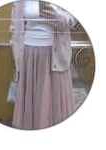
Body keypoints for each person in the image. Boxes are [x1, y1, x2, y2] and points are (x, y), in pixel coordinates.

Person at [11, 2, 76, 131]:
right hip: (28, 55)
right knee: (31, 99)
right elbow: (15, 28)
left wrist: (58, 17)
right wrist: (18, 59)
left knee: (55, 100)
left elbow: (71, 21)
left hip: (55, 56)